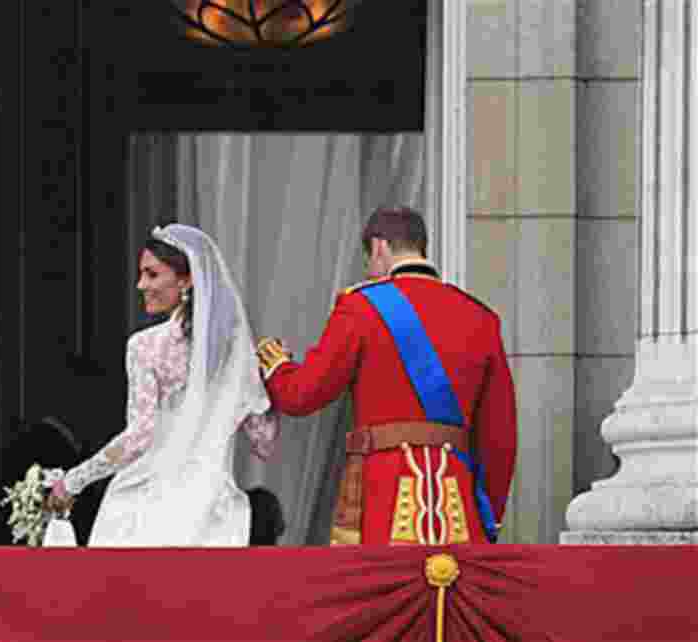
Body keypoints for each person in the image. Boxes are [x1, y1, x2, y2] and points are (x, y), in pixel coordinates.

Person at [256, 207, 516, 545]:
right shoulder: (481, 317)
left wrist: (275, 364)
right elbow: (499, 437)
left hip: (384, 496)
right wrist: (487, 517)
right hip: (458, 507)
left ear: (379, 247)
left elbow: (303, 394)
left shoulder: (361, 306)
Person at [49, 224, 279, 546]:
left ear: (186, 280)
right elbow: (263, 444)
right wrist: (273, 377)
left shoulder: (146, 347)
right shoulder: (235, 355)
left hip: (146, 508)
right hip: (214, 515)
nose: (140, 285)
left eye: (152, 274)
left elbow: (139, 437)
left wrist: (74, 480)